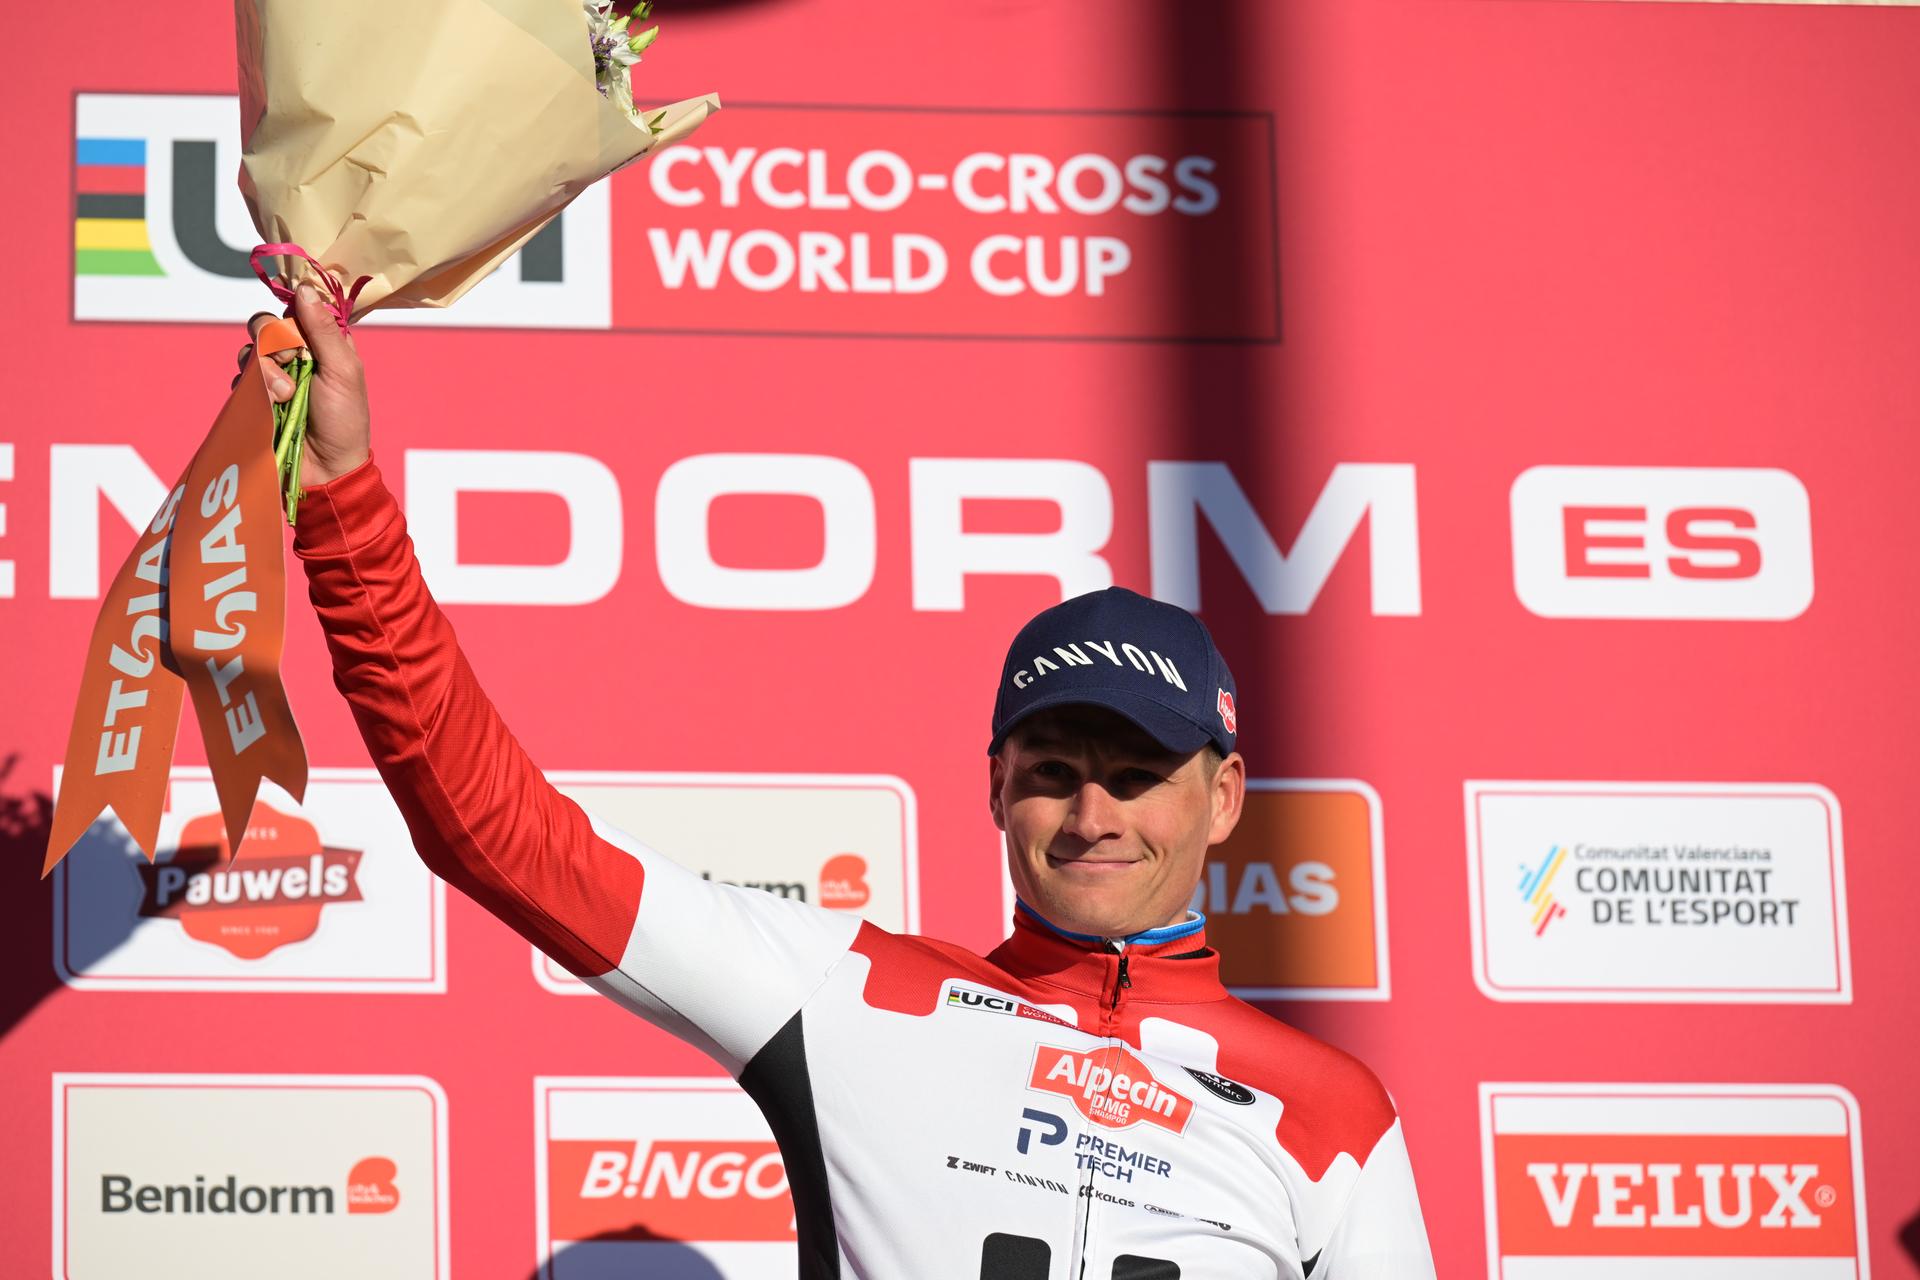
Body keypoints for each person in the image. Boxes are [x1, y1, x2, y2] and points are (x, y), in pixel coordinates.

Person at [238, 289, 1437, 1279]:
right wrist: (342, 499)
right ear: (995, 785)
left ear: (1223, 797)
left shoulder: (1335, 1112)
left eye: (1136, 775)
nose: (1091, 816)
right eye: (1052, 772)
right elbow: (496, 829)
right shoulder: (848, 992)